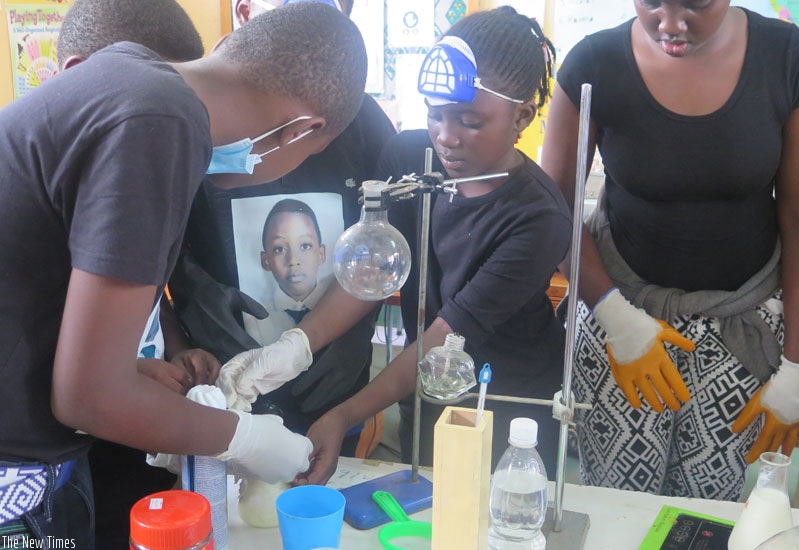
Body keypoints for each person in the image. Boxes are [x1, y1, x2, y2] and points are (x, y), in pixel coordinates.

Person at [0, 2, 367, 546]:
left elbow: (35, 296)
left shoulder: (130, 76)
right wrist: (243, 438)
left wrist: (136, 379)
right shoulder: (162, 120)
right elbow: (85, 397)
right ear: (304, 131)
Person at [541, 1, 799, 500]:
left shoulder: (789, 59)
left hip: (740, 329)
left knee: (706, 512)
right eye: (652, 2)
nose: (670, 23)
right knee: (619, 505)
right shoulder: (594, 65)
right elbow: (553, 209)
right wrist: (615, 318)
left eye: (695, 4)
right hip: (619, 324)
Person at [295, 6, 572, 486]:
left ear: (521, 115)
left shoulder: (539, 216)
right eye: (435, 114)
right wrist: (295, 346)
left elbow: (448, 333)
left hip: (506, 402)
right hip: (423, 386)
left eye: (469, 120)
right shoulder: (409, 156)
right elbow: (370, 274)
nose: (446, 137)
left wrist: (342, 416)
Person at [168, 0, 396, 459]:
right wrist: (176, 348)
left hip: (331, 392)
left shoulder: (363, 125)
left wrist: (301, 345)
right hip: (218, 391)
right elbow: (153, 265)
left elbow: (380, 257)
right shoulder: (184, 125)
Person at [56, 1, 228, 547]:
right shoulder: (40, 210)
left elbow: (148, 290)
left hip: (131, 440)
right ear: (84, 77)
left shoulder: (137, 187)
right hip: (59, 463)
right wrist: (242, 438)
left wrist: (169, 349)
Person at [245, 198, 331, 344]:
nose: (293, 260)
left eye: (305, 246)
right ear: (265, 260)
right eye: (279, 249)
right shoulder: (252, 317)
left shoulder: (340, 307)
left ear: (321, 253)